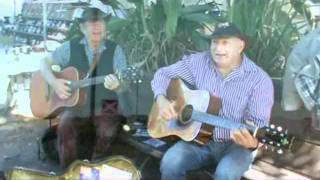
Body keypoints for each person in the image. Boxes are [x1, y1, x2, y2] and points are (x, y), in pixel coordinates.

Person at [151, 22, 274, 180]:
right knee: (170, 163)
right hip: (198, 138)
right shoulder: (198, 62)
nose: (218, 48)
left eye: (225, 42)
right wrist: (161, 100)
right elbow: (162, 74)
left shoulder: (259, 80)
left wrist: (253, 143)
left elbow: (258, 125)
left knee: (225, 174)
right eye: (215, 42)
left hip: (236, 147)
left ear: (240, 46)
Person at [40, 7, 128, 168]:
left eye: (100, 23)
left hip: (107, 102)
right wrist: (54, 83)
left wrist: (118, 86)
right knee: (65, 125)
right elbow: (43, 63)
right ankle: (68, 171)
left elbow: (124, 85)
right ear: (82, 28)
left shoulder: (116, 50)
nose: (97, 27)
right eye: (91, 24)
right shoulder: (70, 47)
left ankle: (95, 168)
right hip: (76, 105)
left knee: (107, 130)